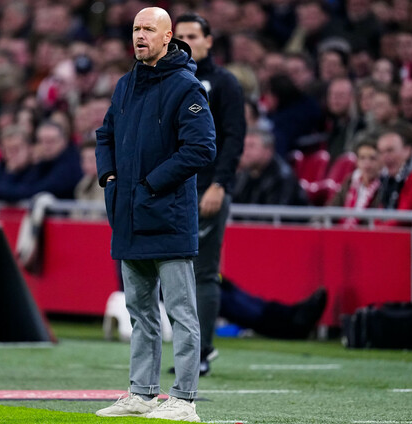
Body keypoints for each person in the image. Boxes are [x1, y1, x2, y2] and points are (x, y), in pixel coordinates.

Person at [95, 7, 216, 422]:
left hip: (168, 215)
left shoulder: (186, 86)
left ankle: (184, 399)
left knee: (181, 312)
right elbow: (105, 134)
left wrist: (150, 184)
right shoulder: (126, 84)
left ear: (168, 37)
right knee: (140, 312)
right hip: (129, 214)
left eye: (148, 29)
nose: (140, 35)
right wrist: (110, 178)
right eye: (136, 28)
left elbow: (202, 148)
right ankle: (142, 393)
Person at [174, 12, 246, 376]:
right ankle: (185, 348)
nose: (185, 42)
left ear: (208, 40)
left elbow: (234, 137)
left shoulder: (224, 83)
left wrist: (220, 184)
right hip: (173, 186)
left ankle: (200, 351)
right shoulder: (168, 77)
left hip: (206, 188)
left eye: (192, 35)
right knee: (172, 270)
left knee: (202, 272)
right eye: (180, 36)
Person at [232, 129, 308, 207]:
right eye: (244, 145)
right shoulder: (244, 173)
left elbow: (276, 211)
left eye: (251, 146)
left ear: (268, 151)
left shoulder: (282, 177)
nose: (244, 151)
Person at [377, 123, 412, 212]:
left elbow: (404, 216)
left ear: (408, 150)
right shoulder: (387, 178)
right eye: (381, 152)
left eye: (390, 150)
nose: (384, 158)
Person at [328, 137, 382, 227]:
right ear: (357, 162)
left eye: (372, 158)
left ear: (381, 161)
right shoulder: (350, 181)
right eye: (362, 158)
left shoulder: (384, 186)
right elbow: (332, 207)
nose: (367, 163)